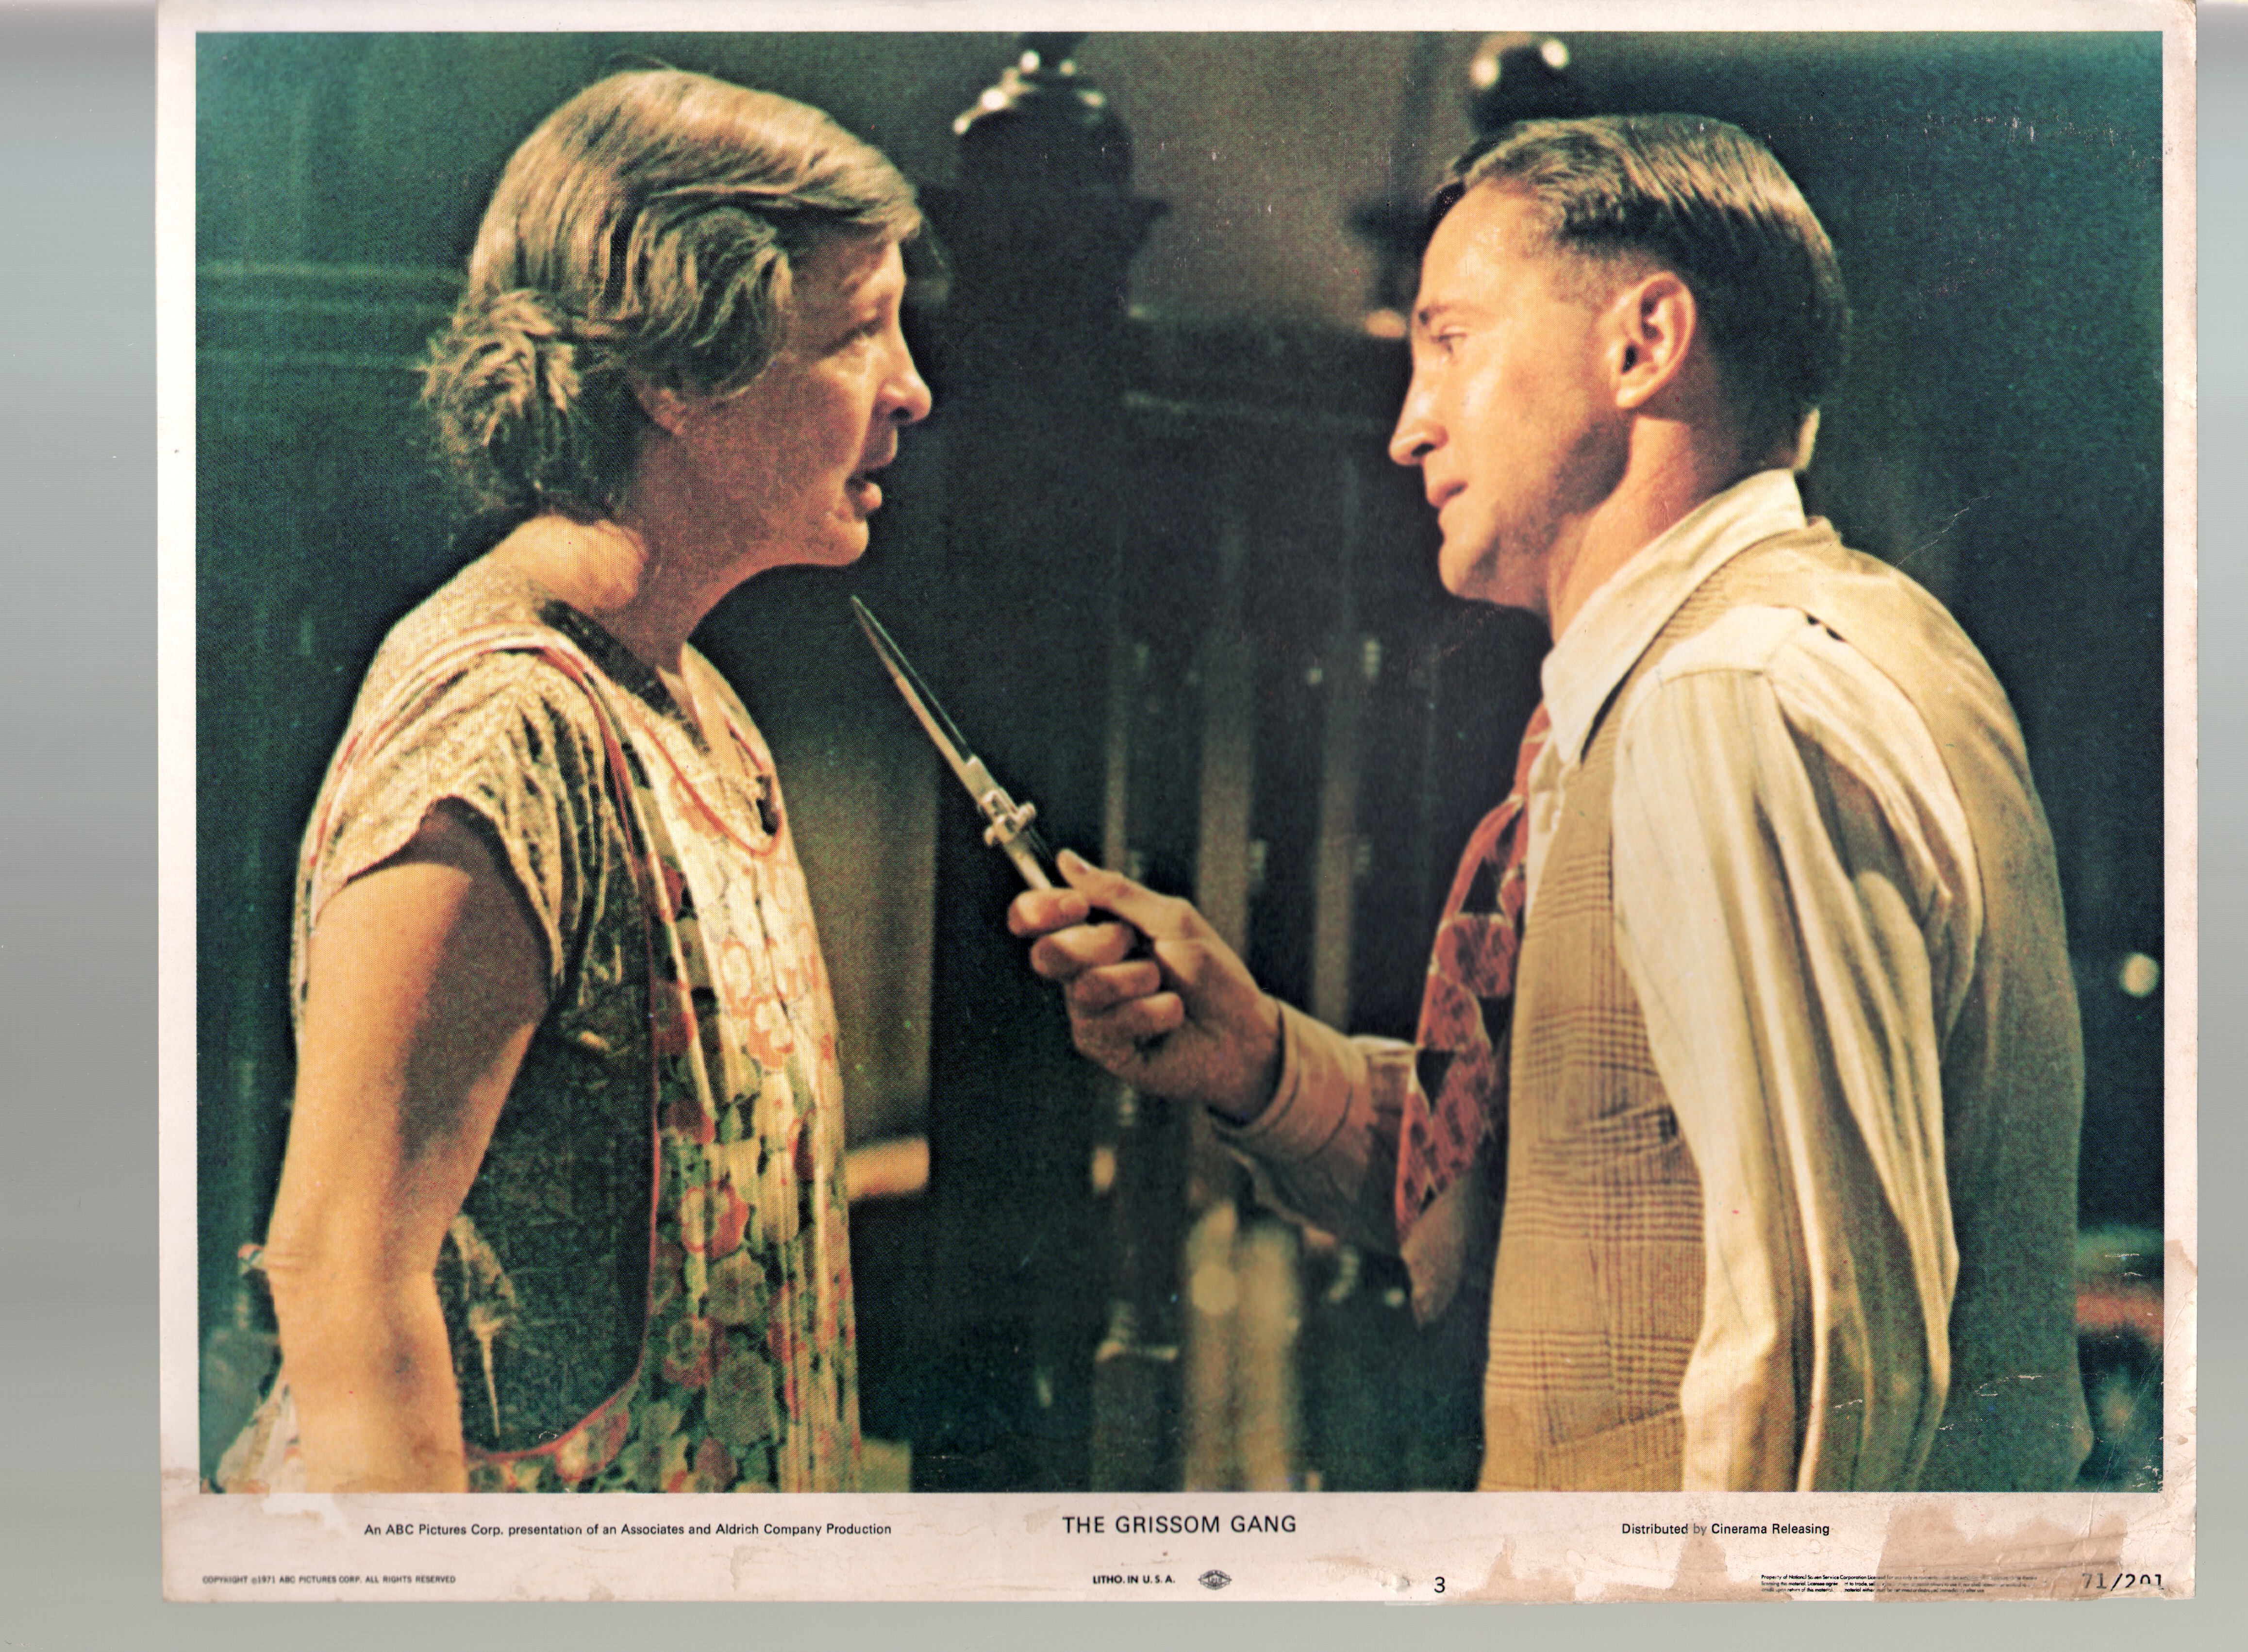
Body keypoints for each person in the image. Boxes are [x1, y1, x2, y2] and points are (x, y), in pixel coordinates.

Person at [1012, 115, 2093, 1492]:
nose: (1409, 425)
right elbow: (1599, 1172)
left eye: (1453, 341)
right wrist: (1262, 1063)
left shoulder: (1725, 696)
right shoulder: (1819, 641)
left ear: (1644, 344)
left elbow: (1821, 1361)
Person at [216, 68, 932, 1494]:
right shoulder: (500, 732)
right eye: (859, 332)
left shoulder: (694, 703)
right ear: (678, 371)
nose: (910, 388)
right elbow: (343, 1272)